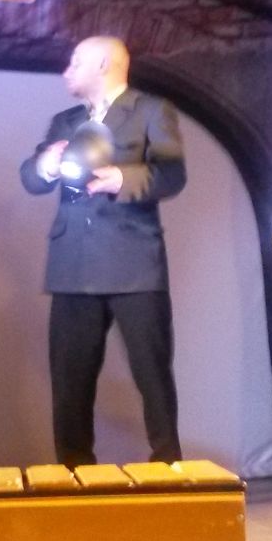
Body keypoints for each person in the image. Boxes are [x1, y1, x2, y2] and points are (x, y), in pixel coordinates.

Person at [20, 36, 186, 466]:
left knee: (152, 374)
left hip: (134, 262)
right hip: (73, 264)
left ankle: (167, 467)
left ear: (103, 65)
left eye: (76, 62)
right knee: (70, 379)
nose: (67, 71)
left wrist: (122, 179)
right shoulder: (65, 121)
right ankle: (74, 472)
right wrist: (45, 165)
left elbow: (172, 174)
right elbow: (31, 177)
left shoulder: (150, 110)